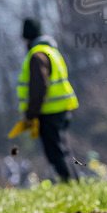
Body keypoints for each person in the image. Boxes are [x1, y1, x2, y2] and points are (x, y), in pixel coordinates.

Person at [18, 18, 80, 182]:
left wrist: (31, 113)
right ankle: (74, 183)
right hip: (63, 108)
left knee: (55, 152)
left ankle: (68, 184)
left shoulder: (37, 55)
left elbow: (39, 87)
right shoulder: (51, 51)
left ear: (27, 37)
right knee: (63, 149)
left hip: (50, 111)